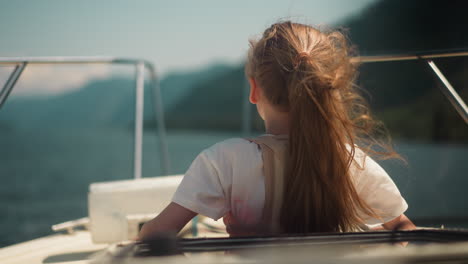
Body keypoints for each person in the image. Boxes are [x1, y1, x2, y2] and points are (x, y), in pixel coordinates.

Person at [139, 21, 415, 241]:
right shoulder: (349, 160)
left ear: (254, 89)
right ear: (327, 91)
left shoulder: (224, 160)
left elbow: (153, 237)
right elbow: (406, 232)